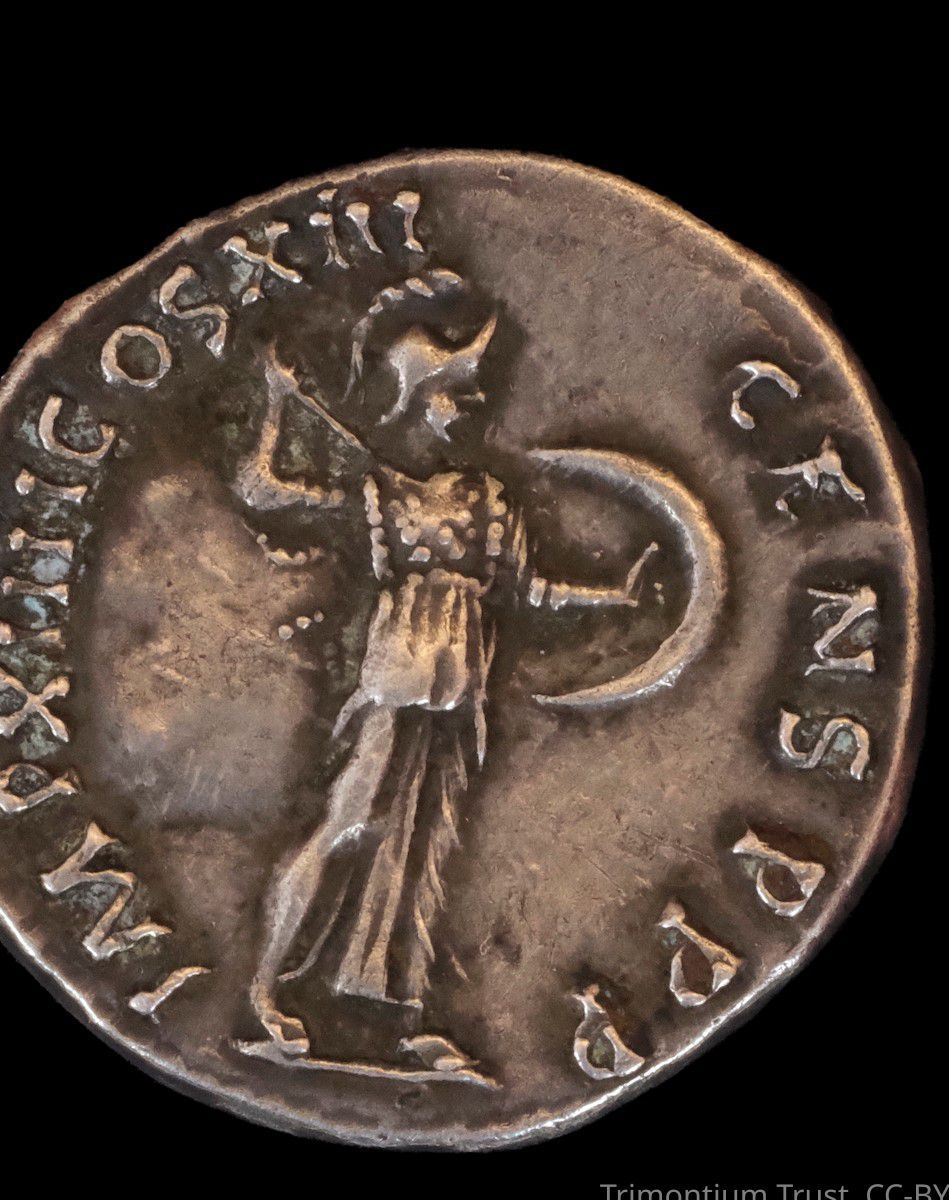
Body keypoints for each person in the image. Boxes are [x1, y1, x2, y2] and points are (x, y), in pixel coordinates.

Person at [232, 273, 654, 1062]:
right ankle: (264, 990)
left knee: (417, 848)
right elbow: (263, 490)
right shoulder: (376, 493)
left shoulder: (490, 498)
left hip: (458, 696)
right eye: (457, 394)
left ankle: (386, 1009)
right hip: (395, 685)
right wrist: (278, 401)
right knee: (349, 824)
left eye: (475, 394)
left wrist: (615, 595)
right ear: (416, 400)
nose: (474, 408)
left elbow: (531, 590)